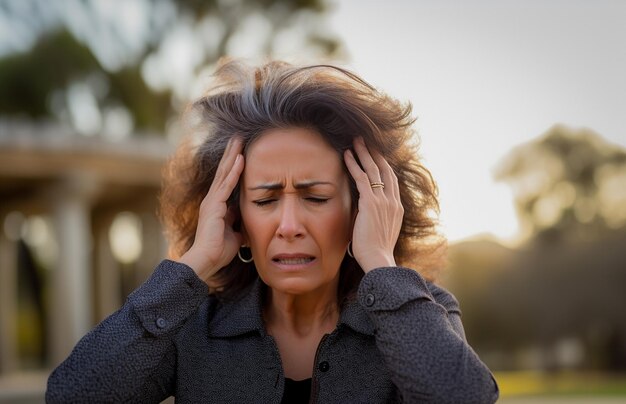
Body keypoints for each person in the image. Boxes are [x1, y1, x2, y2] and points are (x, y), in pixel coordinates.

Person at [46, 59, 499, 403]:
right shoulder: (191, 326)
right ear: (234, 213)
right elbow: (71, 395)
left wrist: (380, 263)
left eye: (315, 197)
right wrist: (192, 266)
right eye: (264, 201)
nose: (288, 226)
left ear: (363, 208)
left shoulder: (420, 313)